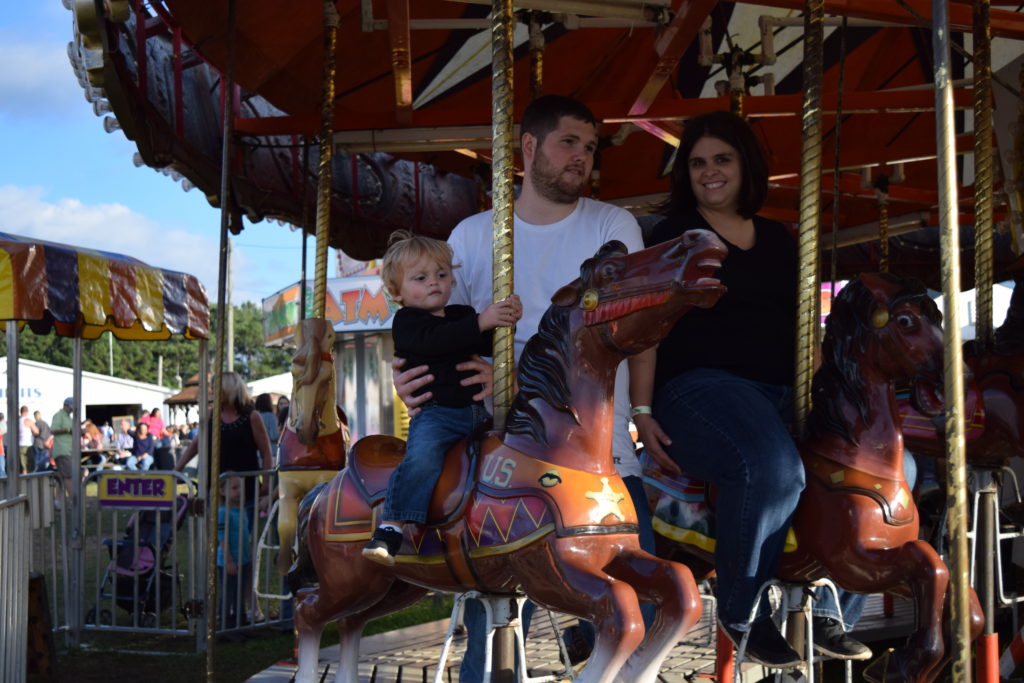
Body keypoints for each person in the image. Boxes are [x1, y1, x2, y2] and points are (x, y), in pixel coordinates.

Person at [392, 94, 653, 682]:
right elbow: (439, 335)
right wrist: (412, 375)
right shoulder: (470, 237)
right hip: (504, 447)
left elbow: (623, 324)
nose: (582, 157)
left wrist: (642, 406)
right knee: (498, 618)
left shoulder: (612, 225)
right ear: (529, 147)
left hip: (593, 449)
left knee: (644, 593)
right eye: (569, 142)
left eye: (589, 148)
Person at [628, 110, 870, 668]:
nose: (709, 172)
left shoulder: (782, 241)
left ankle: (837, 607)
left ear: (745, 166)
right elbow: (648, 326)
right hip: (700, 389)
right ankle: (743, 609)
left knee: (881, 470)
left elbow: (803, 327)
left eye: (721, 159)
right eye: (697, 163)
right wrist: (640, 409)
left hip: (781, 391)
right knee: (770, 467)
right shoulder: (673, 237)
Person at [363, 231, 522, 564]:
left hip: (478, 415)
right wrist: (482, 321)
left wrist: (506, 323)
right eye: (421, 278)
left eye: (441, 275)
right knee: (422, 458)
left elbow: (488, 345)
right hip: (437, 416)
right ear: (397, 292)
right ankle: (391, 526)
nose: (434, 283)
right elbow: (438, 342)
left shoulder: (461, 314)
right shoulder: (408, 323)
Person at [174, 371, 275, 526]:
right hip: (216, 487)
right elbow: (196, 444)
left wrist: (266, 484)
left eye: (216, 388)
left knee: (240, 538)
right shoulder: (211, 415)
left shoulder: (252, 417)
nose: (212, 392)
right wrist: (177, 469)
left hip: (244, 490)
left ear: (229, 389)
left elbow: (266, 452)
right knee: (218, 535)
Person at [218, 475, 253, 629]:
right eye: (234, 488)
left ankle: (240, 622)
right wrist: (229, 561)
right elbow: (222, 538)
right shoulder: (223, 512)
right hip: (228, 562)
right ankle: (225, 625)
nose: (239, 491)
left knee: (239, 594)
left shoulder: (242, 510)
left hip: (243, 560)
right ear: (222, 491)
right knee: (228, 594)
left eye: (241, 487)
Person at [51, 398, 75, 498]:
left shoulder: (69, 417)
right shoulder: (58, 415)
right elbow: (53, 430)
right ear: (65, 405)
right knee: (68, 477)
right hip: (62, 450)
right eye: (71, 407)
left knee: (61, 478)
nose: (72, 410)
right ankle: (75, 501)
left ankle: (58, 502)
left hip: (67, 450)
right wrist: (69, 430)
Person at [254, 393, 280, 462]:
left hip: (257, 453)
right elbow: (274, 435)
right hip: (271, 452)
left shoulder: (254, 416)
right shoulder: (271, 417)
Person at [19, 405, 38, 474]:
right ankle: (27, 481)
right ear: (26, 412)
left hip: (19, 445)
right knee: (28, 465)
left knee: (22, 465)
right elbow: (36, 431)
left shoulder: (16, 421)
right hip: (27, 445)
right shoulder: (28, 420)